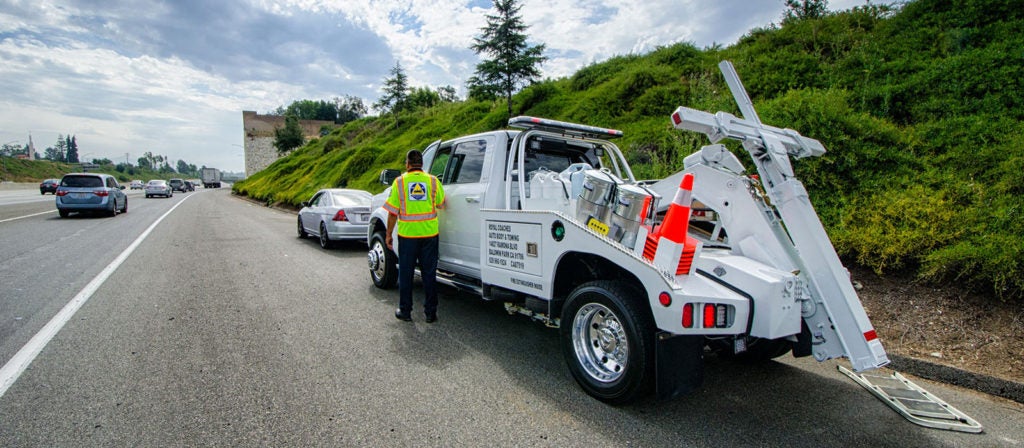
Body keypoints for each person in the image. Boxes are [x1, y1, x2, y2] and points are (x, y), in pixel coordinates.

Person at [384, 149, 446, 323]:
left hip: (408, 236)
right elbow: (441, 204)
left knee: (406, 273)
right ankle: (430, 313)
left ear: (407, 163)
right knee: (429, 274)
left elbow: (392, 213)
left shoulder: (400, 182)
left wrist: (388, 234)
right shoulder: (433, 181)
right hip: (430, 235)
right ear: (422, 164)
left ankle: (405, 311)